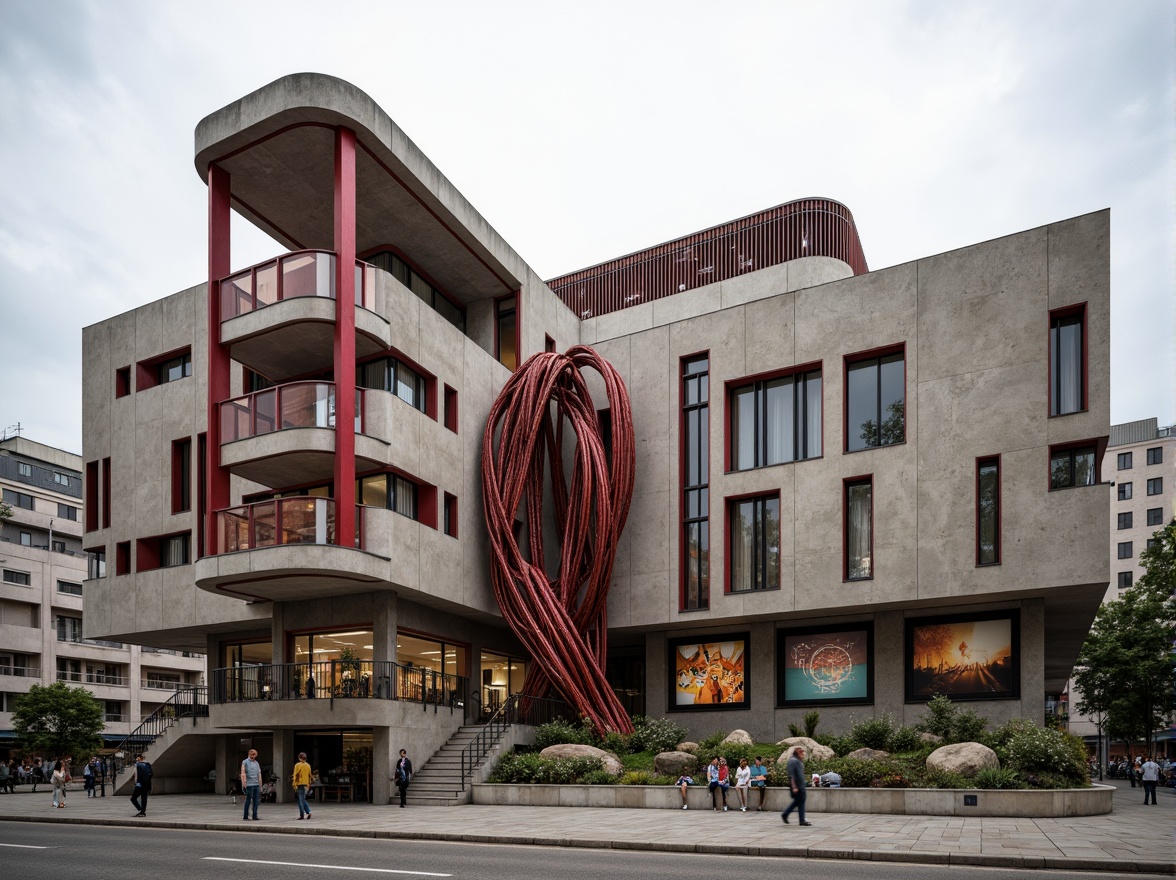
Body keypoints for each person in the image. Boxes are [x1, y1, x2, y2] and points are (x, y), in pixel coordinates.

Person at [781, 746, 811, 826]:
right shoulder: (793, 761)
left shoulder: (798, 761)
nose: (803, 754)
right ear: (796, 753)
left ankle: (801, 820)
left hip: (801, 785)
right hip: (796, 787)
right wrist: (794, 787)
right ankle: (786, 814)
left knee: (800, 801)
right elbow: (791, 775)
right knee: (798, 801)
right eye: (801, 752)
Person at [240, 748, 262, 820]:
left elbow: (259, 774)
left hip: (256, 784)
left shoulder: (256, 763)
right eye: (253, 755)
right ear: (249, 754)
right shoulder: (245, 762)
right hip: (249, 784)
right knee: (248, 800)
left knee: (256, 801)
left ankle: (254, 815)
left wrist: (260, 784)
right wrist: (244, 783)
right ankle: (245, 815)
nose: (254, 756)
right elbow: (243, 772)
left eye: (255, 755)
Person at [292, 751, 313, 820]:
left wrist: (294, 784)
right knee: (303, 798)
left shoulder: (298, 765)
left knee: (301, 799)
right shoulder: (308, 765)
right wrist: (309, 784)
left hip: (300, 784)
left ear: (300, 758)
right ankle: (308, 812)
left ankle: (302, 814)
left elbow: (295, 775)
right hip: (306, 784)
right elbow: (310, 775)